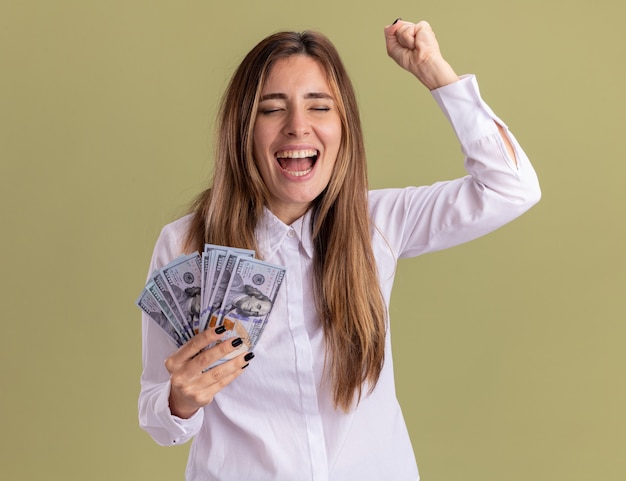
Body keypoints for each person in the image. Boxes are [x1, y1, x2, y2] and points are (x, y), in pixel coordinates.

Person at [138, 19, 541, 481]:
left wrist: (435, 72)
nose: (297, 127)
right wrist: (181, 400)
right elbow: (156, 416)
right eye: (272, 109)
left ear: (343, 126)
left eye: (319, 107)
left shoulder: (381, 225)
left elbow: (512, 188)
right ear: (242, 129)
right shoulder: (187, 244)